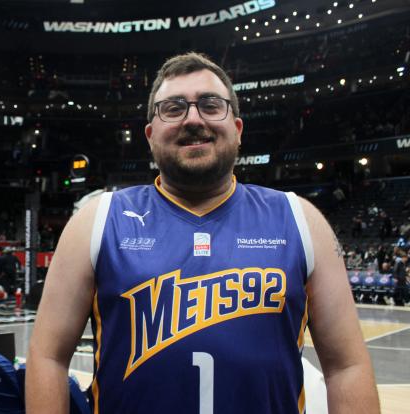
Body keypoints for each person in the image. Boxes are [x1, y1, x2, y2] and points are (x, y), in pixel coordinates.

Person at [26, 52, 379, 413]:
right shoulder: (96, 220)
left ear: (238, 129)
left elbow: (346, 367)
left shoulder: (301, 220)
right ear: (150, 135)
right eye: (174, 108)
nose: (193, 119)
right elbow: (48, 356)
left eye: (211, 105)